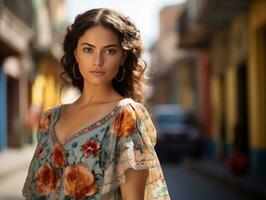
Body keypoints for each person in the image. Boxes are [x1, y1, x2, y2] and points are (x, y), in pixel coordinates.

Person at [22, 8, 170, 200]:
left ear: (122, 56)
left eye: (110, 50)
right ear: (76, 53)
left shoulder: (125, 117)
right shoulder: (49, 120)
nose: (98, 61)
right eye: (88, 49)